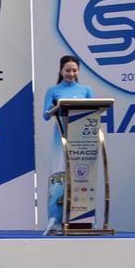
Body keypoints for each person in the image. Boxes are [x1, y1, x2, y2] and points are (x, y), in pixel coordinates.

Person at [42, 55, 94, 234]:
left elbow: (94, 110)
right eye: (67, 70)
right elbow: (45, 114)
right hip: (61, 138)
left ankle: (84, 221)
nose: (71, 74)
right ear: (61, 71)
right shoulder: (53, 90)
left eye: (74, 70)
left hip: (83, 140)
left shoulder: (86, 90)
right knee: (60, 178)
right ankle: (55, 222)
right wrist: (56, 106)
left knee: (83, 176)